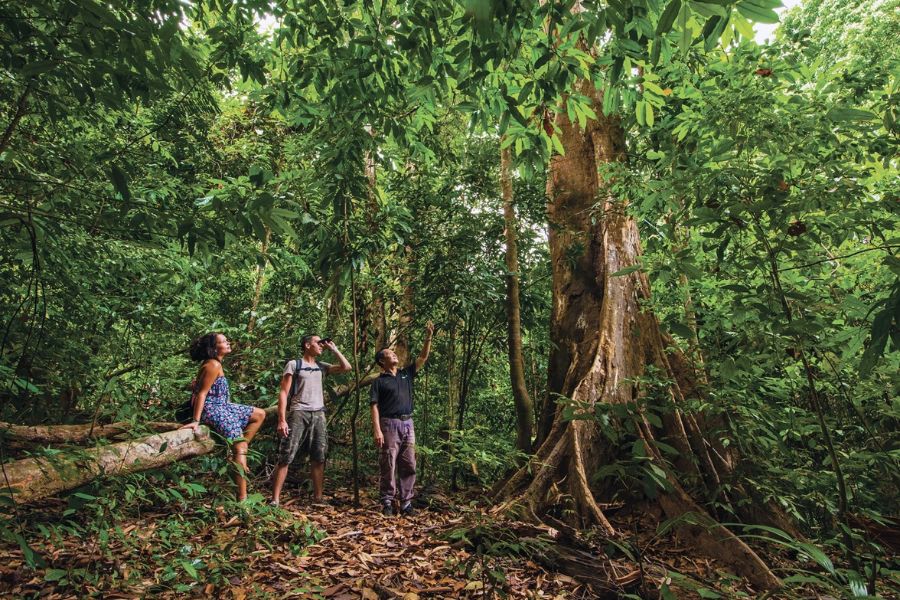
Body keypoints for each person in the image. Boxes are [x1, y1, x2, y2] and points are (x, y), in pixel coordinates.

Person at [181, 332, 266, 501]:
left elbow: (198, 388)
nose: (228, 343)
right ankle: (242, 499)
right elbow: (202, 394)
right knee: (240, 447)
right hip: (213, 409)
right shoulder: (213, 365)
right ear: (214, 348)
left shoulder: (214, 364)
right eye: (223, 341)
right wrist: (196, 421)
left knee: (260, 414)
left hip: (224, 406)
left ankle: (237, 449)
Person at [271, 333, 351, 506]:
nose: (321, 345)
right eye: (318, 343)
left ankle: (318, 498)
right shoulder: (294, 365)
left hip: (319, 414)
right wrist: (282, 419)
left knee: (319, 456)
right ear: (307, 345)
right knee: (286, 455)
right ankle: (275, 499)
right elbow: (284, 392)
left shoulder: (322, 366)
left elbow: (346, 367)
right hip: (298, 412)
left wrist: (334, 349)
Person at [370, 321, 433, 516]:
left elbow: (423, 357)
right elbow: (374, 405)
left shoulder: (406, 374)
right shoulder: (379, 381)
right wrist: (377, 429)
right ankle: (387, 501)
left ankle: (406, 503)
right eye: (389, 353)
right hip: (389, 424)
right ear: (382, 361)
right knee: (388, 462)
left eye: (393, 352)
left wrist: (428, 337)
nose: (394, 354)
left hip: (408, 423)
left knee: (409, 463)